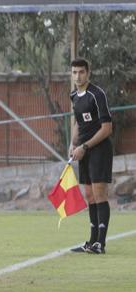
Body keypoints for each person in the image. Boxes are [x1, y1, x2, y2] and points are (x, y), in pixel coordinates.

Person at [68, 58, 113, 255]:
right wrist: (73, 143)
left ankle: (100, 244)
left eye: (81, 72)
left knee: (99, 193)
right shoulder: (73, 96)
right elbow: (77, 122)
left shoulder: (97, 94)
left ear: (88, 73)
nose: (78, 76)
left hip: (99, 149)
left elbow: (107, 128)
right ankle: (91, 241)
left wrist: (84, 146)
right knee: (89, 195)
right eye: (75, 72)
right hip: (83, 151)